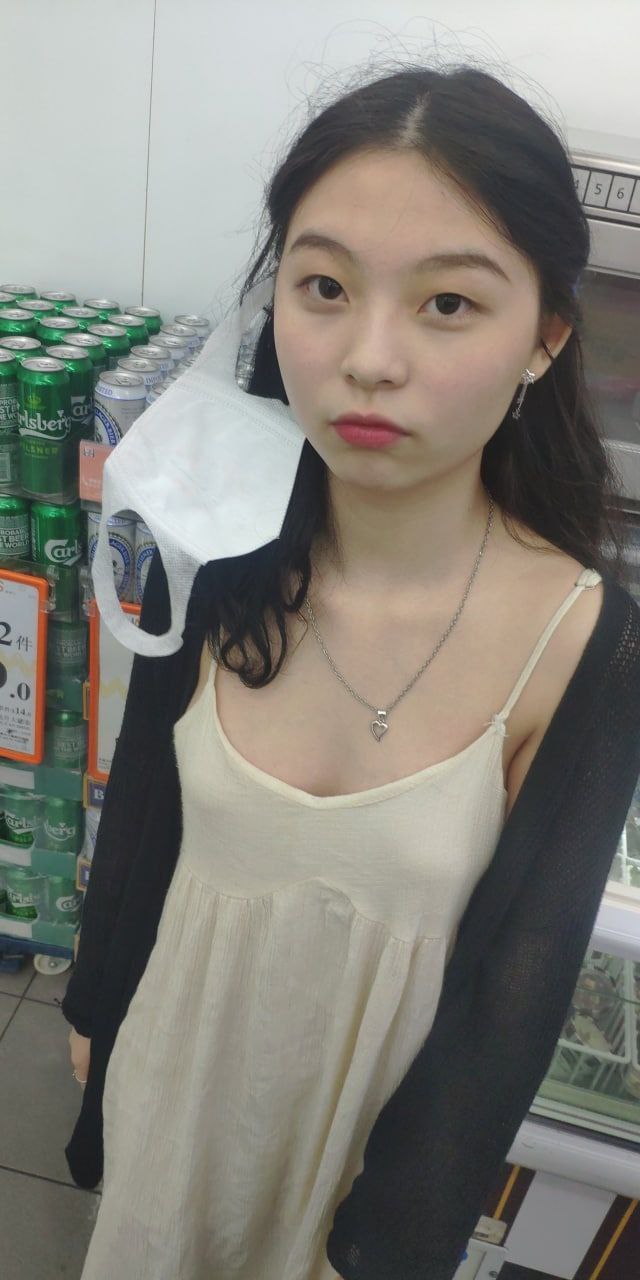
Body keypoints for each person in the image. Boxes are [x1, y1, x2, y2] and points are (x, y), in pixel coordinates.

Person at [63, 62, 640, 1280]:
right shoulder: (219, 541)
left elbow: (509, 998)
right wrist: (96, 1013)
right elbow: (146, 802)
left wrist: (382, 1247)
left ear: (544, 337)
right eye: (324, 286)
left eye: (447, 303)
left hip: (359, 1172)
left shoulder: (583, 641)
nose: (369, 358)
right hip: (173, 1099)